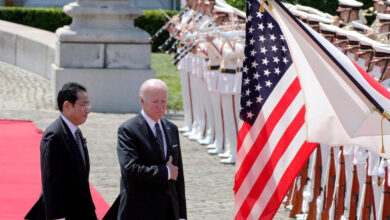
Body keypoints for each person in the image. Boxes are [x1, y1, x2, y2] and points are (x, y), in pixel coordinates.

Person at [105, 79, 186, 220]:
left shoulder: (171, 128)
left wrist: (182, 215)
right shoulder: (129, 130)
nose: (160, 106)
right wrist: (165, 172)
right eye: (155, 102)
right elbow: (130, 170)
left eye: (164, 101)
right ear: (142, 101)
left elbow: (178, 175)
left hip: (168, 211)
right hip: (139, 210)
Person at [25, 82, 96, 220]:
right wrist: (57, 217)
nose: (87, 110)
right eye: (83, 105)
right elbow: (51, 182)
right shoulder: (54, 136)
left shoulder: (76, 132)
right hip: (63, 214)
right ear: (67, 106)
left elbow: (81, 180)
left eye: (88, 105)